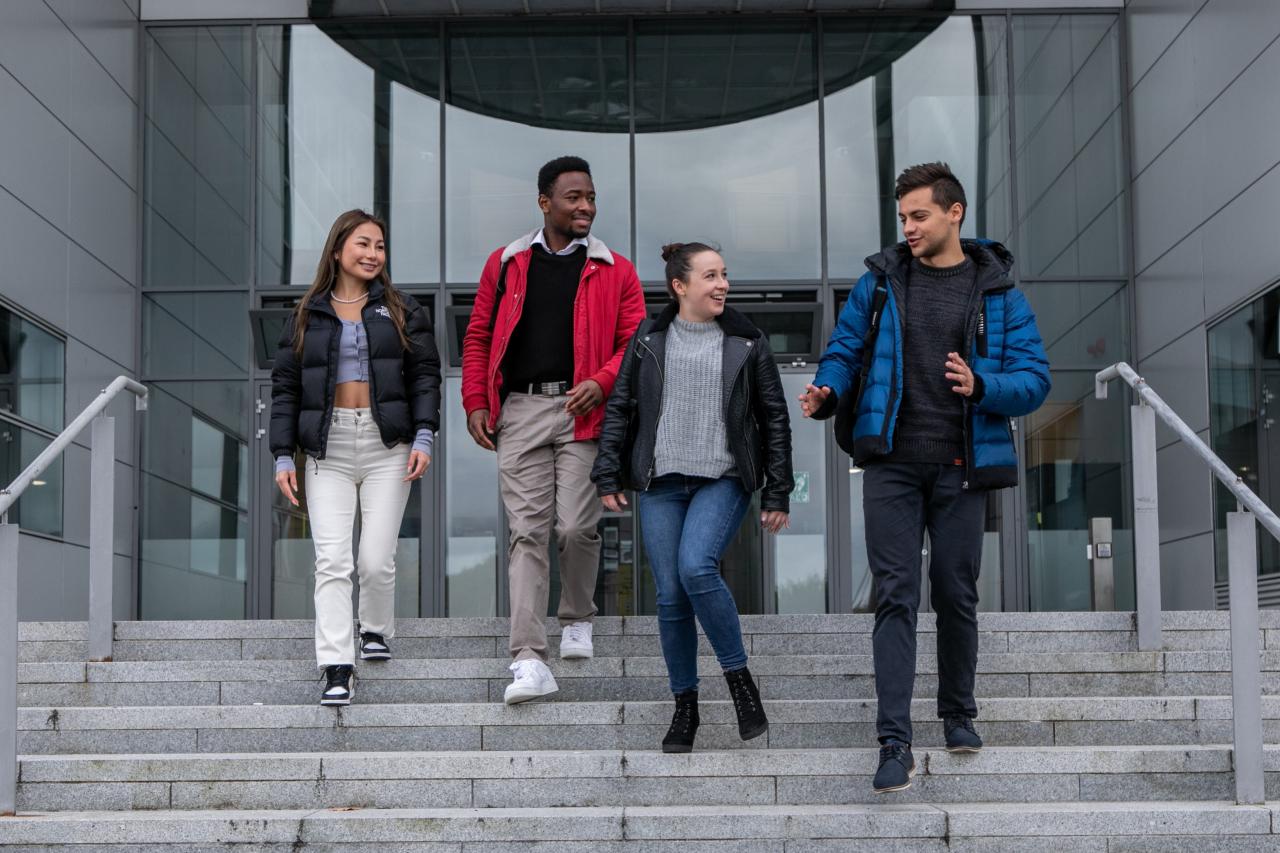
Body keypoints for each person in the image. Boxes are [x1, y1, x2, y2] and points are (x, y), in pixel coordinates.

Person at [799, 163, 1050, 793]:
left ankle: (958, 713)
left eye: (919, 215)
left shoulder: (999, 293)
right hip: (891, 462)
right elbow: (846, 349)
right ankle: (893, 741)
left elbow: (1035, 379)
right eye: (903, 217)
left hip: (964, 465)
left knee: (956, 593)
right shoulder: (880, 284)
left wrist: (984, 384)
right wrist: (828, 389)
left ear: (954, 213)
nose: (908, 227)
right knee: (896, 593)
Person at [593, 242, 793, 753]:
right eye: (710, 276)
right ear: (680, 287)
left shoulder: (748, 342)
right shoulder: (649, 338)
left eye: (725, 274)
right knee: (670, 596)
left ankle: (739, 680)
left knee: (696, 567)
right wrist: (609, 472)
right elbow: (621, 406)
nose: (722, 284)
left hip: (723, 479)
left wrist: (777, 491)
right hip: (661, 483)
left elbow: (774, 418)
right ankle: (686, 706)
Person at [461, 156, 645, 704]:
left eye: (590, 196)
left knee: (574, 528)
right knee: (526, 534)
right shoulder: (507, 263)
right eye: (573, 197)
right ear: (545, 203)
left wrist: (604, 381)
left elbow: (634, 346)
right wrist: (476, 399)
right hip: (519, 411)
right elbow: (477, 335)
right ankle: (527, 658)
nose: (585, 206)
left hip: (582, 408)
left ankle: (577, 616)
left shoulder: (618, 269)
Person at [270, 209, 441, 706]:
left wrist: (424, 436)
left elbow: (425, 375)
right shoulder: (306, 314)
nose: (373, 254)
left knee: (374, 559)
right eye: (363, 244)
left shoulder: (403, 309)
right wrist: (283, 455)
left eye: (380, 246)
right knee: (332, 560)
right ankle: (336, 666)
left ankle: (375, 628)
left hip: (389, 444)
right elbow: (285, 389)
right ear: (339, 248)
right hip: (329, 448)